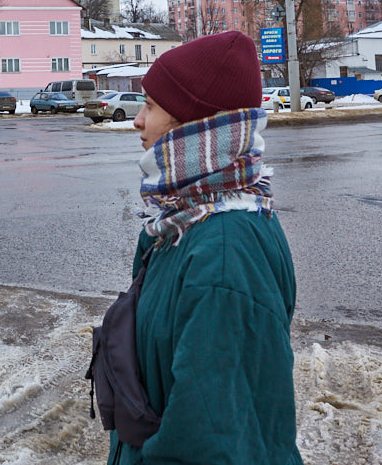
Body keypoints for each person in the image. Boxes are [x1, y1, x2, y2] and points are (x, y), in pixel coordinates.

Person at [109, 30, 302, 465]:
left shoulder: (224, 252)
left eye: (152, 106)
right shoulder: (185, 221)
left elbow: (210, 443)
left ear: (193, 127)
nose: (138, 120)